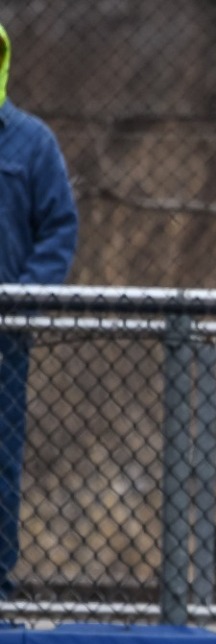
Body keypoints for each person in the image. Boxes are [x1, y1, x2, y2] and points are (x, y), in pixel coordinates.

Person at [0, 22, 78, 600]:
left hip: (4, 336)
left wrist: (23, 297)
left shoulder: (30, 142)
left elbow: (58, 226)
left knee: (1, 461)